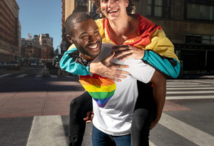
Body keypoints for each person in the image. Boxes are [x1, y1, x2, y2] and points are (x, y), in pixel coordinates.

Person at [60, 0, 180, 146]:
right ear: (99, 6)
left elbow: (173, 69)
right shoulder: (96, 28)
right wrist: (93, 67)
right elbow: (67, 59)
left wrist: (144, 54)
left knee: (139, 122)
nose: (110, 4)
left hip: (141, 87)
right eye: (104, 0)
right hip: (110, 85)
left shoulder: (151, 32)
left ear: (127, 1)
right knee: (77, 105)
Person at [63, 12, 166, 146]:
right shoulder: (76, 61)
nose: (93, 40)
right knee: (76, 104)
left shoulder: (121, 55)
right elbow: (69, 66)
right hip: (99, 129)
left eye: (95, 32)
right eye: (84, 36)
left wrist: (156, 117)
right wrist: (94, 71)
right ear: (71, 40)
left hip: (126, 132)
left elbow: (159, 79)